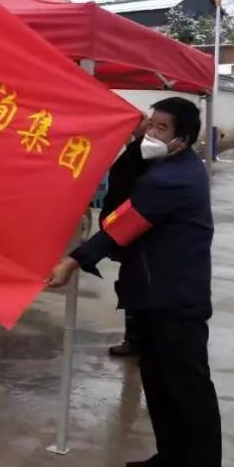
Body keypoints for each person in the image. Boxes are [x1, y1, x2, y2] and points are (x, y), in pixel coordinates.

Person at [48, 97, 221, 467]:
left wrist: (73, 261)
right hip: (150, 294)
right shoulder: (162, 167)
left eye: (161, 128)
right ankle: (171, 458)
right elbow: (123, 185)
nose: (150, 133)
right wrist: (131, 140)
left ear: (182, 139)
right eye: (149, 124)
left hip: (176, 299)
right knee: (157, 382)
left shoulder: (175, 178)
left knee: (189, 390)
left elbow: (122, 225)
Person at [103, 117, 149, 358]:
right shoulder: (136, 148)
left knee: (134, 283)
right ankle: (136, 337)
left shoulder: (144, 151)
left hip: (135, 228)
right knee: (131, 281)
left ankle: (137, 339)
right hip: (127, 227)